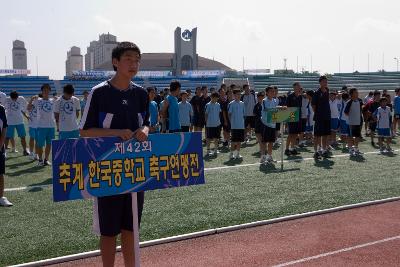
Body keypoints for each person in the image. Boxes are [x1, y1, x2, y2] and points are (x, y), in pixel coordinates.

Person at [79, 42, 149, 267]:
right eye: (129, 59)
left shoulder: (140, 94)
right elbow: (85, 132)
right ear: (115, 62)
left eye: (137, 60)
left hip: (136, 171)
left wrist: (145, 131)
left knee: (131, 227)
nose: (134, 64)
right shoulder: (99, 93)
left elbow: (147, 123)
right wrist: (117, 133)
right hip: (107, 170)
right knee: (109, 231)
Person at [28, 84, 56, 166]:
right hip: (41, 126)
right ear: (42, 91)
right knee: (40, 144)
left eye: (47, 90)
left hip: (51, 126)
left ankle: (46, 159)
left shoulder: (53, 100)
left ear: (50, 91)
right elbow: (29, 108)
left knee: (49, 144)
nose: (46, 91)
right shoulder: (38, 100)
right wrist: (31, 100)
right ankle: (40, 159)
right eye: (44, 90)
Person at [260, 86, 283, 164]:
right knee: (264, 142)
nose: (273, 92)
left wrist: (282, 107)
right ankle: (263, 157)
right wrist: (278, 109)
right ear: (267, 92)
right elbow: (267, 109)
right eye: (271, 91)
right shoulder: (264, 100)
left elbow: (275, 107)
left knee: (271, 142)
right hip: (266, 124)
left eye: (273, 91)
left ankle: (269, 157)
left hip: (273, 123)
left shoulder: (274, 100)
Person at [311, 76, 331, 159]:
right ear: (320, 82)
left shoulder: (327, 91)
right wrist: (318, 113)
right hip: (319, 117)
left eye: (326, 81)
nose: (325, 83)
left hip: (327, 116)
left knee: (325, 134)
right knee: (317, 135)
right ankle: (316, 151)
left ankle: (324, 150)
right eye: (324, 81)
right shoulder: (317, 93)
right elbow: (313, 105)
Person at [5, 91, 29, 155]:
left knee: (23, 137)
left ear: (17, 97)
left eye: (15, 98)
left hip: (20, 121)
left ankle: (25, 150)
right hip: (9, 122)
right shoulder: (7, 99)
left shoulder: (21, 98)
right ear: (10, 97)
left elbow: (26, 105)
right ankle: (4, 152)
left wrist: (25, 114)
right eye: (13, 98)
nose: (14, 100)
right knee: (7, 137)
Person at [344, 88, 363, 156]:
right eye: (355, 92)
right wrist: (352, 117)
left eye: (357, 92)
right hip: (351, 122)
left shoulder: (360, 101)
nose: (357, 93)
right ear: (351, 94)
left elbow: (360, 110)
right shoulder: (349, 102)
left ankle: (356, 149)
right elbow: (346, 112)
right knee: (350, 136)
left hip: (357, 122)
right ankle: (350, 149)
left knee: (357, 136)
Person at [285, 82, 302, 156]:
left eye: (299, 87)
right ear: (294, 88)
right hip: (291, 115)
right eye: (297, 87)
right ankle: (286, 149)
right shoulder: (290, 96)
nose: (298, 88)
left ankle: (292, 148)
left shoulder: (300, 96)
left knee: (295, 134)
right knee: (290, 134)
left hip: (298, 116)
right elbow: (287, 107)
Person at [0, 103, 12, 207]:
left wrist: (0, 145)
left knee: (0, 173)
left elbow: (4, 128)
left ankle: (1, 197)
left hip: (0, 146)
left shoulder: (1, 109)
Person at [228, 89, 245, 160]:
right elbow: (229, 114)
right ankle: (231, 154)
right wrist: (232, 123)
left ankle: (237, 154)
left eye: (240, 94)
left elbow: (243, 114)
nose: (239, 95)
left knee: (239, 141)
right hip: (234, 126)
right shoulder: (231, 104)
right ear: (234, 95)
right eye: (237, 94)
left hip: (241, 125)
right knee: (234, 141)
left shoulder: (242, 103)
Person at [27, 94, 39, 160]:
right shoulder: (31, 104)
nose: (36, 99)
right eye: (35, 98)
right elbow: (28, 108)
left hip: (39, 126)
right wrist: (31, 99)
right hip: (32, 125)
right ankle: (31, 153)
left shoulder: (41, 104)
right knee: (32, 139)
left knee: (37, 141)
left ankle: (36, 154)